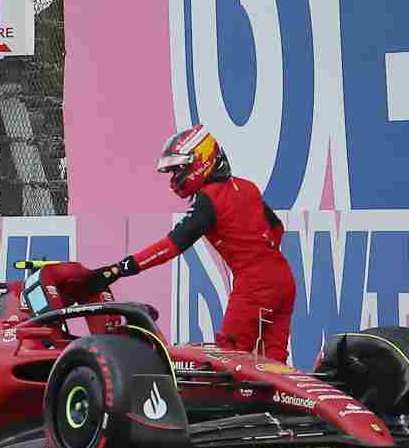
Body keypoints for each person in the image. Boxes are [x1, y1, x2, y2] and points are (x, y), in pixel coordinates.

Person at [87, 124, 297, 362]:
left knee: (229, 362)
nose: (176, 178)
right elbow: (277, 228)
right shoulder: (247, 187)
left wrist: (119, 269)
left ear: (201, 160)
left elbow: (171, 246)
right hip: (284, 279)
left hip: (254, 284)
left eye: (179, 169)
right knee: (275, 364)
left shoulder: (209, 198)